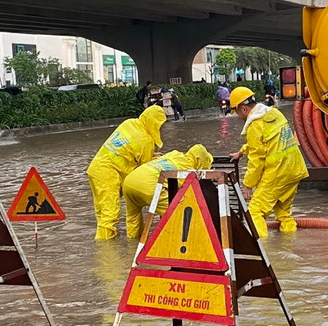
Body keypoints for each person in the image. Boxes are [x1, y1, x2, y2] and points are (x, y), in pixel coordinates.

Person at [228, 86, 308, 236]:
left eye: (237, 112)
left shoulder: (254, 124)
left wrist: (248, 185)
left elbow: (257, 159)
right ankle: (288, 242)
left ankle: (263, 247)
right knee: (284, 214)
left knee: (254, 211)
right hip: (295, 169)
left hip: (278, 172)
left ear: (243, 108)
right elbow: (267, 140)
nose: (238, 116)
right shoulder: (274, 113)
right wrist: (242, 151)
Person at [86, 106, 167, 240]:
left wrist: (150, 155)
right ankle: (106, 248)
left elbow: (127, 149)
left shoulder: (129, 123)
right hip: (109, 174)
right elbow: (144, 168)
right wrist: (157, 158)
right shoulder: (146, 141)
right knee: (109, 216)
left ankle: (103, 240)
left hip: (96, 168)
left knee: (101, 213)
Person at [122, 144, 213, 239]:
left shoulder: (174, 154)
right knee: (177, 216)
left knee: (133, 220)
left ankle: (132, 244)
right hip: (149, 186)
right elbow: (187, 192)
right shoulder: (189, 170)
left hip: (129, 182)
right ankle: (176, 243)